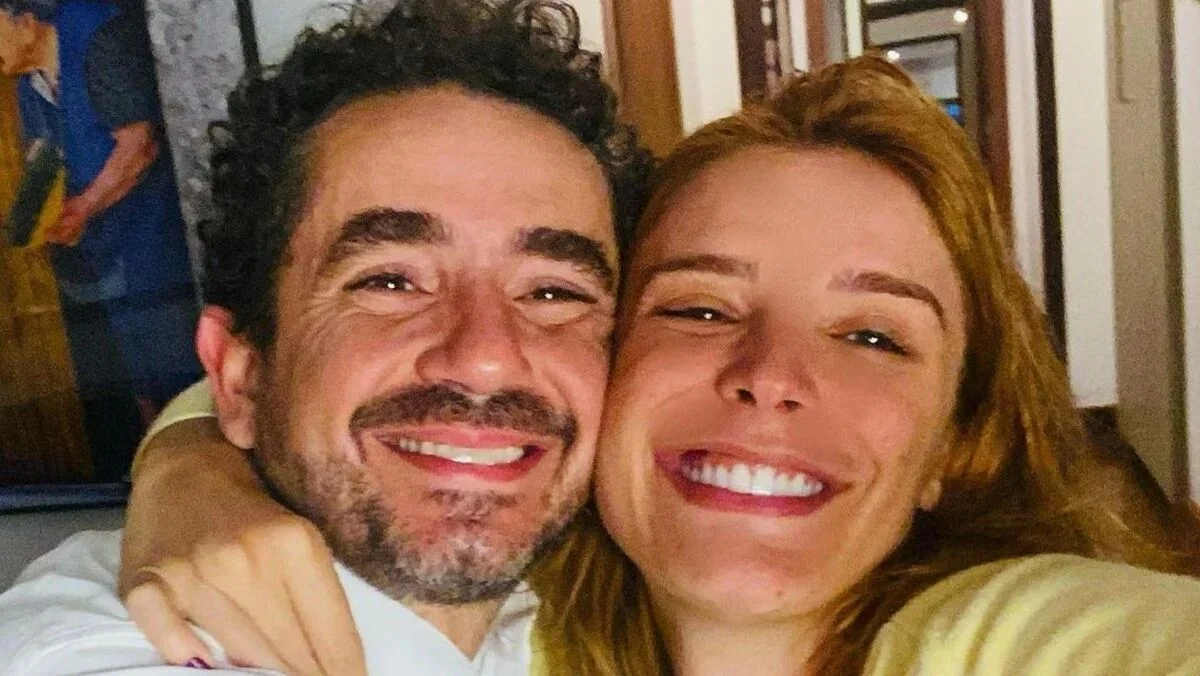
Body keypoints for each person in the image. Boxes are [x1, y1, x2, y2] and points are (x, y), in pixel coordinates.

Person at [109, 57, 1200, 675]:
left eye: (873, 335)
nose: (772, 374)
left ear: (957, 441)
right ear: (609, 369)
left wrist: (189, 466)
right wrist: (197, 459)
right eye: (700, 307)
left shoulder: (1033, 642)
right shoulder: (498, 608)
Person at [0, 0, 649, 674]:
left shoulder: (605, 604)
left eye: (553, 293)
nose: (487, 358)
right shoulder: (98, 643)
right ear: (242, 380)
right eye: (390, 281)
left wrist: (185, 454)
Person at [0, 0, 201, 479]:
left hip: (154, 238)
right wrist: (30, 223)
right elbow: (45, 156)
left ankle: (200, 473)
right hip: (105, 251)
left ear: (23, 19)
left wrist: (83, 207)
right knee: (138, 373)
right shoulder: (30, 81)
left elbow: (140, 145)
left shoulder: (98, 41)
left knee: (179, 364)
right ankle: (159, 473)